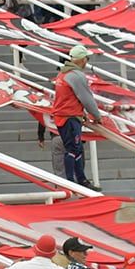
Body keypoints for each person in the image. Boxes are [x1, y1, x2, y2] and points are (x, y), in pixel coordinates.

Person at [53, 45, 101, 189]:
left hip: (65, 115)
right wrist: (96, 115)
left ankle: (81, 180)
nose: (87, 61)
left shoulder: (63, 73)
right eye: (87, 58)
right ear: (82, 59)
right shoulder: (76, 75)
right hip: (69, 117)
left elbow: (71, 97)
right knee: (73, 149)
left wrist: (83, 113)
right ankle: (73, 182)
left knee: (76, 148)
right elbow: (86, 98)